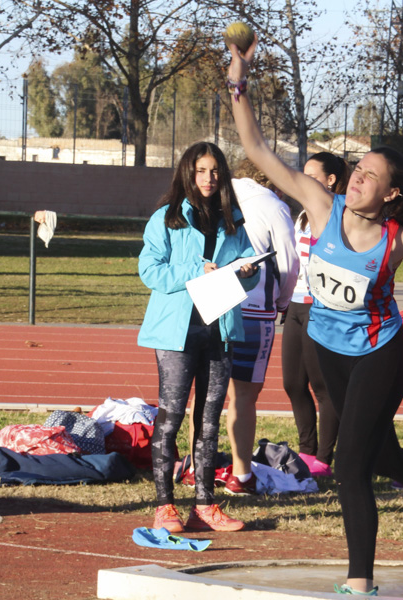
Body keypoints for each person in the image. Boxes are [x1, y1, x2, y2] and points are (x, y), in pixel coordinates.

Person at [227, 45, 403, 596]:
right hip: (328, 349)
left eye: (370, 176)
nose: (357, 180)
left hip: (379, 356)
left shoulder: (398, 239)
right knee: (381, 454)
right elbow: (258, 150)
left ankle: (359, 585)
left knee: (351, 468)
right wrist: (240, 86)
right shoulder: (320, 203)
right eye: (357, 171)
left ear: (392, 192)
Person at [137, 141, 259, 533]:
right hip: (176, 332)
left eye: (215, 171)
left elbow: (251, 267)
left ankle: (205, 505)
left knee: (208, 423)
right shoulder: (166, 218)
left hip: (220, 330)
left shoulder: (233, 219)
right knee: (170, 418)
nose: (208, 179)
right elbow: (150, 272)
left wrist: (247, 272)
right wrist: (196, 271)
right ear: (188, 173)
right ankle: (164, 507)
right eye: (201, 171)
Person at [223, 161, 299, 496]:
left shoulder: (217, 194)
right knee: (244, 395)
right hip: (254, 310)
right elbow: (289, 261)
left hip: (213, 304)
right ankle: (241, 475)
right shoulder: (273, 204)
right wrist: (282, 302)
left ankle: (198, 466)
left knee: (207, 392)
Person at [282, 152, 349, 477]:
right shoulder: (303, 215)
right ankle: (306, 450)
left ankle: (323, 457)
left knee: (323, 386)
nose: (303, 179)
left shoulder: (341, 213)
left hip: (321, 307)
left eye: (312, 175)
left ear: (331, 180)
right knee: (293, 383)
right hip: (294, 305)